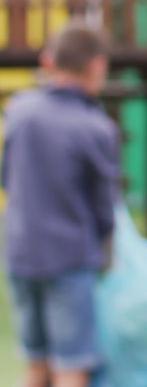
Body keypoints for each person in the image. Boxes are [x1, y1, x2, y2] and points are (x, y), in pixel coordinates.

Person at [3, 22, 118, 387]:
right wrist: (107, 251)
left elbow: (6, 174)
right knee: (71, 365)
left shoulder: (18, 110)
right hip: (69, 258)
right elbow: (104, 206)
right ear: (97, 66)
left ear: (48, 61)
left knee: (36, 364)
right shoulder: (95, 126)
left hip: (19, 252)